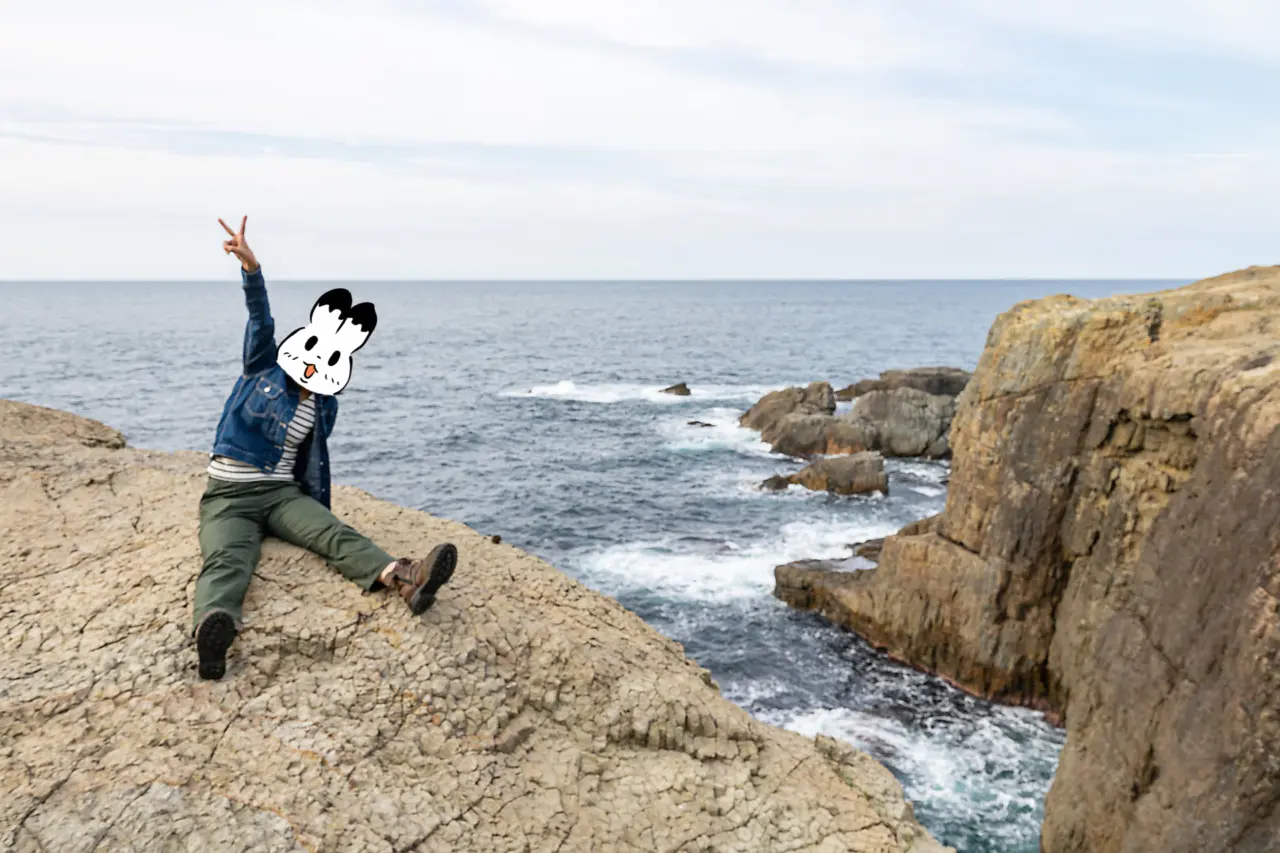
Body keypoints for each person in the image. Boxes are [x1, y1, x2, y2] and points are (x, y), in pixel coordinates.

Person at [192, 215, 457, 680]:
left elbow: (307, 463)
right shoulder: (262, 368)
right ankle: (214, 636)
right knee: (228, 561)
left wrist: (311, 511)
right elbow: (260, 319)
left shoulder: (325, 406)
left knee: (334, 535)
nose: (317, 364)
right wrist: (251, 268)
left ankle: (408, 582)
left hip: (280, 498)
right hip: (229, 497)